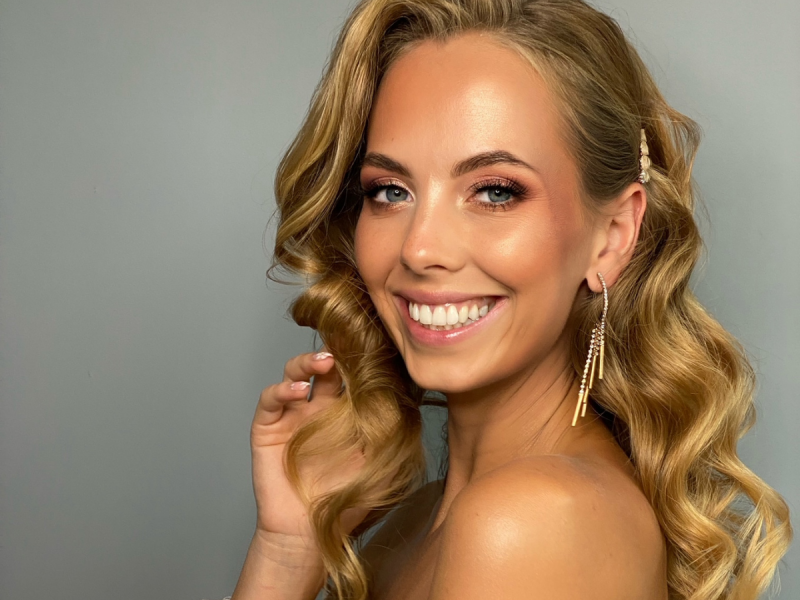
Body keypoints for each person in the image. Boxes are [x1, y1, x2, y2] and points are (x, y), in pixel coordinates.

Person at [226, 1, 793, 599]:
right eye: (390, 191)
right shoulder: (420, 519)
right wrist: (290, 545)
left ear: (612, 236)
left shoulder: (524, 522)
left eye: (495, 192)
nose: (419, 249)